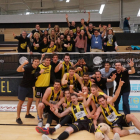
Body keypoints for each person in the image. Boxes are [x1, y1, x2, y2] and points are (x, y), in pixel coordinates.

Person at [16, 58, 40, 124]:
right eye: (35, 61)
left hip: (30, 87)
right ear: (33, 62)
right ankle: (18, 117)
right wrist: (23, 64)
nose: (36, 63)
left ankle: (27, 114)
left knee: (31, 100)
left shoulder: (38, 69)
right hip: (23, 87)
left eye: (37, 62)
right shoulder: (28, 67)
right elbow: (18, 70)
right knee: (21, 102)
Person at [35, 55, 55, 119]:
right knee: (38, 100)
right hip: (38, 86)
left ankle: (44, 112)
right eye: (47, 60)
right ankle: (38, 113)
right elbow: (34, 74)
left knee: (45, 100)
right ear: (44, 61)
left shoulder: (50, 67)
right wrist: (39, 73)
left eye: (49, 60)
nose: (48, 61)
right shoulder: (39, 66)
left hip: (46, 86)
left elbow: (52, 76)